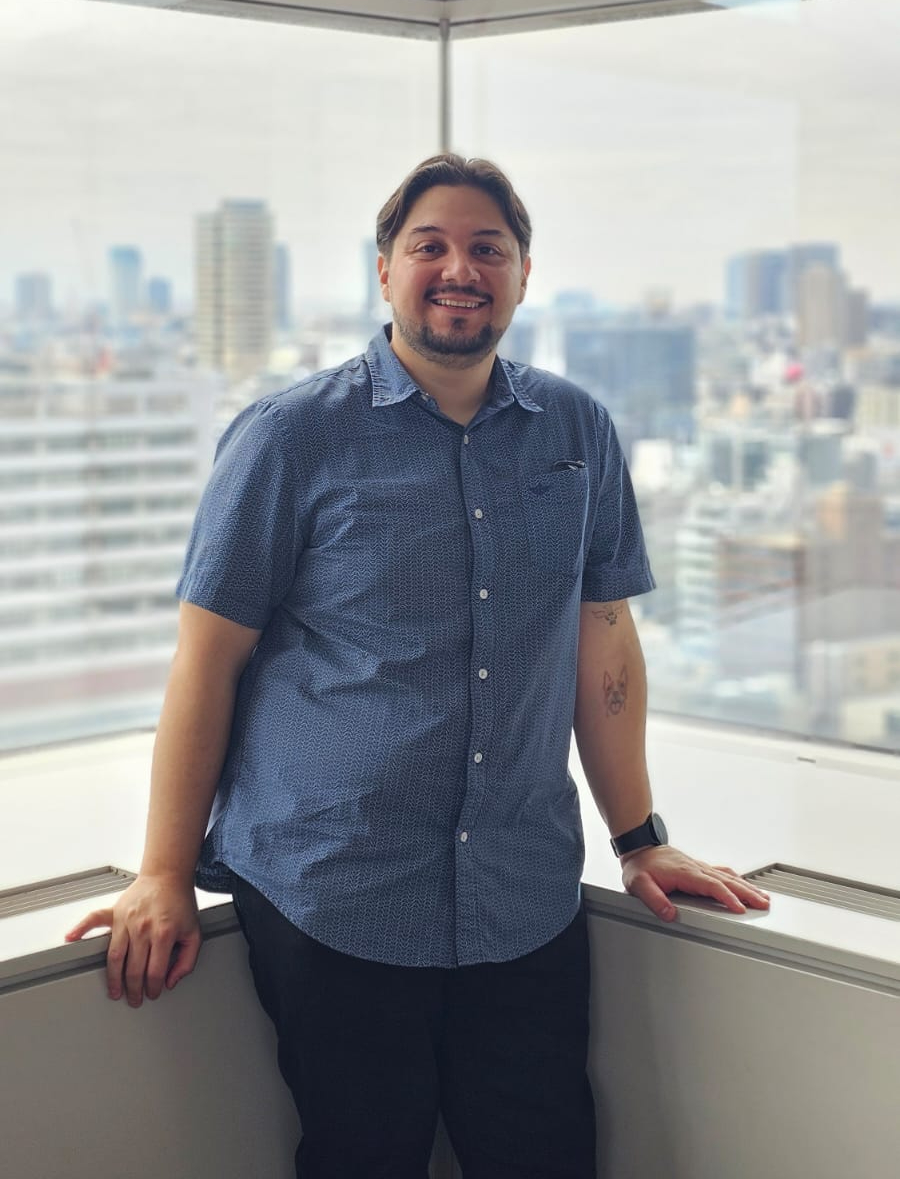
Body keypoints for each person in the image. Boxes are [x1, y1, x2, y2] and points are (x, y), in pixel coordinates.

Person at [67, 153, 769, 1179]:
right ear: (385, 270)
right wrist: (165, 872)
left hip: (521, 892)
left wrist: (639, 839)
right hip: (333, 889)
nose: (459, 268)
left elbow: (604, 637)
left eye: (488, 248)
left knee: (546, 1156)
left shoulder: (577, 430)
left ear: (523, 274)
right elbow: (205, 665)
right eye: (429, 245)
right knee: (364, 1158)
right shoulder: (291, 437)